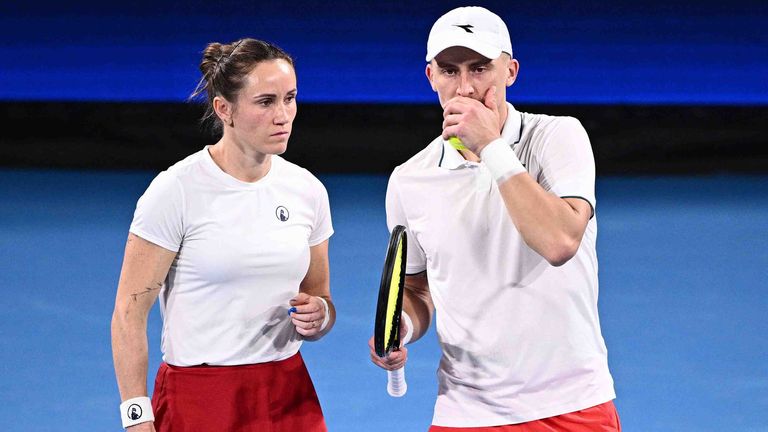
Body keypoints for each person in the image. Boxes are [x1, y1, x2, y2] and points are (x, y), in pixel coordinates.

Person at [369, 7, 621, 431]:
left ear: (511, 71)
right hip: (466, 412)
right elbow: (416, 287)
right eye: (449, 71)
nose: (465, 88)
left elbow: (560, 242)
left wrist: (490, 145)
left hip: (571, 405)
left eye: (480, 68)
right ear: (430, 77)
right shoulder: (408, 180)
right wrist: (403, 326)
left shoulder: (558, 138)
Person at [111, 38, 335, 432]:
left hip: (289, 394)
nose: (283, 115)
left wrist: (321, 315)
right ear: (224, 109)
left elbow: (320, 297)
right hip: (200, 399)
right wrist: (136, 415)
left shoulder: (307, 190)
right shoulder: (175, 190)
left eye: (290, 98)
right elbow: (129, 314)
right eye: (265, 102)